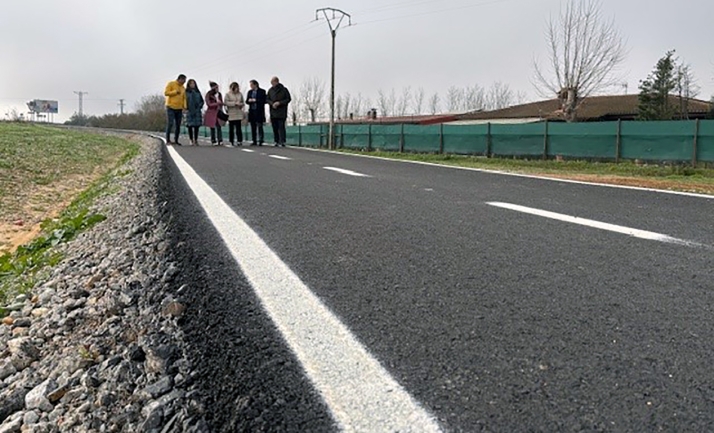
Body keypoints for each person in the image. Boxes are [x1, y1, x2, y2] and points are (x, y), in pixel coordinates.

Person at [266, 76, 291, 147]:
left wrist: (280, 103)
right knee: (274, 127)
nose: (272, 84)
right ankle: (276, 141)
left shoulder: (284, 90)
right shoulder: (270, 90)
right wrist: (272, 103)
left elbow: (288, 99)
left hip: (282, 111)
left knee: (281, 127)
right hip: (273, 111)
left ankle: (282, 141)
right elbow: (267, 99)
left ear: (276, 82)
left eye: (273, 82)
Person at [164, 74, 187, 145]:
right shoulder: (171, 84)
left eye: (185, 81)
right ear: (179, 79)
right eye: (183, 81)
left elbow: (184, 98)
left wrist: (185, 107)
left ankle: (176, 140)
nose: (184, 82)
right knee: (170, 123)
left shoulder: (183, 88)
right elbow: (166, 93)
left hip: (179, 108)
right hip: (171, 107)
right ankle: (167, 140)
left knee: (178, 125)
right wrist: (175, 92)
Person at [246, 79, 267, 146]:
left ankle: (261, 140)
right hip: (252, 111)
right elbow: (247, 101)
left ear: (255, 85)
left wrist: (255, 100)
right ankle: (254, 140)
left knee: (260, 126)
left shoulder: (262, 91)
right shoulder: (249, 92)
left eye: (251, 85)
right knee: (253, 126)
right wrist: (249, 101)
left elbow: (264, 100)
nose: (251, 86)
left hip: (259, 111)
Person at [224, 82, 245, 146]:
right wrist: (234, 103)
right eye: (235, 88)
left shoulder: (240, 94)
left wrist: (240, 104)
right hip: (231, 113)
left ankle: (239, 140)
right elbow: (226, 103)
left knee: (238, 128)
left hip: (238, 112)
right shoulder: (228, 94)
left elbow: (243, 102)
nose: (236, 89)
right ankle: (231, 141)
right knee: (231, 128)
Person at [204, 81, 225, 146]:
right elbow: (208, 104)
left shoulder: (219, 94)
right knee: (212, 126)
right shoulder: (209, 94)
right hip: (211, 111)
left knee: (219, 126)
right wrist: (216, 103)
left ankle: (220, 140)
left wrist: (221, 105)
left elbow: (221, 102)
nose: (217, 89)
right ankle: (213, 140)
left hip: (218, 111)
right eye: (216, 87)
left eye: (217, 87)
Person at [185, 79, 204, 146]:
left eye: (193, 83)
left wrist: (200, 106)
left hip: (197, 110)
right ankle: (191, 139)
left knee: (197, 126)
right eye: (191, 84)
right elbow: (185, 101)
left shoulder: (198, 92)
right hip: (190, 110)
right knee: (190, 126)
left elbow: (202, 101)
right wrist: (186, 107)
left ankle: (196, 139)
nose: (192, 85)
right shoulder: (186, 92)